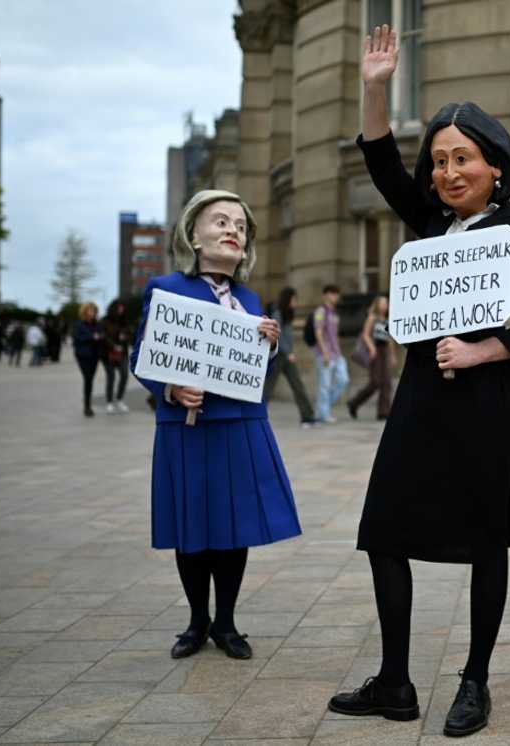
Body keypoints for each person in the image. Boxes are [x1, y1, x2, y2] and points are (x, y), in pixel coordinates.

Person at [327, 26, 510, 738]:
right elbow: (378, 162)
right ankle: (395, 682)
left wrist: (485, 350)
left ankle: (474, 682)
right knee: (383, 531)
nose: (448, 171)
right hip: (422, 399)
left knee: (487, 538)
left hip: (486, 403)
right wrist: (375, 87)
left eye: (463, 158)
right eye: (438, 160)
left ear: (496, 167)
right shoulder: (428, 222)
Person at [130, 189, 302, 662]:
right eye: (221, 221)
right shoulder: (165, 288)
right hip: (187, 427)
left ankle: (225, 622)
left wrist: (268, 347)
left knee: (233, 528)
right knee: (193, 527)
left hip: (240, 425)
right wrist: (169, 390)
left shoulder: (250, 298)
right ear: (193, 234)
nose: (232, 230)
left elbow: (253, 376)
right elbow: (140, 356)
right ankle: (196, 620)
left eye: (241, 226)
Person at [263, 286, 318, 428]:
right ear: (288, 299)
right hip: (278, 355)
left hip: (287, 355)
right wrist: (289, 352)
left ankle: (308, 417)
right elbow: (277, 335)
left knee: (297, 385)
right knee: (267, 388)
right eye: (294, 299)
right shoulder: (278, 313)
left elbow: (288, 336)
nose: (296, 302)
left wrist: (290, 352)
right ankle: (257, 414)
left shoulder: (288, 313)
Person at [347, 294, 396, 420]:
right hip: (375, 350)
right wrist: (371, 347)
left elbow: (390, 339)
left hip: (385, 350)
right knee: (375, 382)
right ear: (377, 304)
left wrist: (392, 355)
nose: (385, 305)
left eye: (387, 303)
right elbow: (365, 334)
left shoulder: (388, 319)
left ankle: (383, 412)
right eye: (383, 303)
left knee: (387, 382)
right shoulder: (372, 317)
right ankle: (354, 402)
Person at [313, 284, 349, 423]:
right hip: (325, 354)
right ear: (325, 295)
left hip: (336, 354)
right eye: (332, 293)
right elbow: (318, 332)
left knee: (343, 379)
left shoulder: (334, 313)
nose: (335, 296)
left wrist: (338, 350)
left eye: (336, 294)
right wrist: (325, 352)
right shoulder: (321, 311)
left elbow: (335, 334)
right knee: (325, 385)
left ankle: (324, 407)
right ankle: (323, 413)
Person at [101, 300, 131, 413]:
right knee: (111, 377)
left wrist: (126, 336)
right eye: (119, 308)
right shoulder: (105, 321)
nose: (121, 310)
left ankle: (119, 399)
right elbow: (103, 336)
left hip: (122, 353)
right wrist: (113, 346)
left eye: (123, 308)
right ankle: (109, 402)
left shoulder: (124, 321)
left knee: (124, 375)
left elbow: (129, 333)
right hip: (108, 353)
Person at [72, 304, 102, 417]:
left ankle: (88, 404)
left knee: (90, 380)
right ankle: (87, 406)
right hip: (83, 355)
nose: (92, 312)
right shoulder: (79, 324)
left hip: (94, 355)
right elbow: (76, 339)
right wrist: (91, 337)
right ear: (85, 312)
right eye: (90, 310)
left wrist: (99, 337)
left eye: (94, 310)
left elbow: (101, 335)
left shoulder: (97, 324)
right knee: (88, 377)